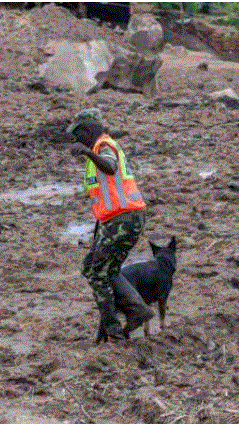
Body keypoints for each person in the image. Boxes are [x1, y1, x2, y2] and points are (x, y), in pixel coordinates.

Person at [70, 118, 154, 343]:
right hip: (120, 221)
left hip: (122, 221)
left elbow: (109, 167)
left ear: (87, 131)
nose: (75, 141)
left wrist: (87, 152)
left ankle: (114, 332)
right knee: (94, 267)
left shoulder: (104, 147)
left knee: (99, 275)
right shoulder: (103, 147)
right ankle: (137, 309)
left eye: (77, 136)